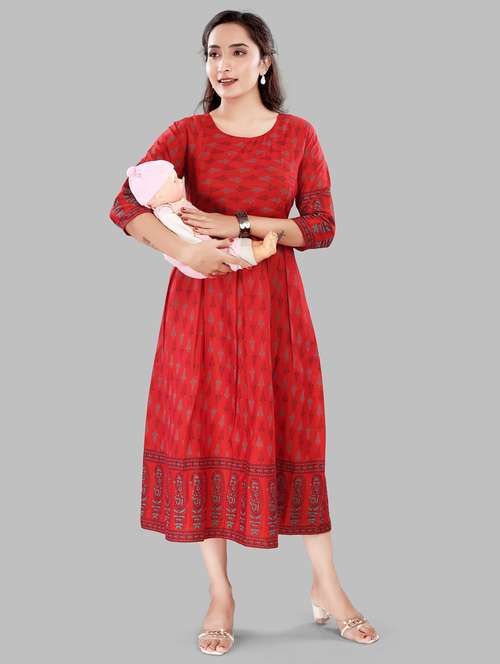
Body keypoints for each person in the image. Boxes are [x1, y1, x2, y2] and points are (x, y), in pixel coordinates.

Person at [109, 9, 380, 655]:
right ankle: (220, 592)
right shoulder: (186, 134)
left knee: (295, 426)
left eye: (237, 51)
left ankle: (327, 584)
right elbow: (124, 204)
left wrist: (239, 224)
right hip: (199, 306)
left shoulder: (298, 135)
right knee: (204, 429)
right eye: (212, 53)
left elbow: (321, 226)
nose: (222, 65)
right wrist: (187, 250)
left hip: (273, 305)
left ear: (265, 62)